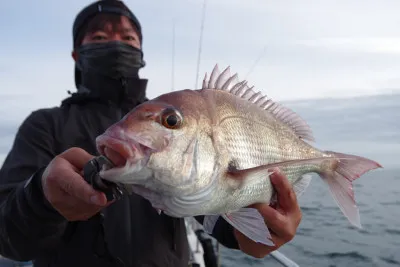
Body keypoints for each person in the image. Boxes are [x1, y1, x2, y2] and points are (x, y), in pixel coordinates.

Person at [0, 1, 302, 266]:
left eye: (128, 37)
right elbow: (7, 235)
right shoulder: (44, 125)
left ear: (141, 53)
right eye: (100, 36)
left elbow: (207, 203)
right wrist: (40, 196)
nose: (115, 43)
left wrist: (248, 235)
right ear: (77, 55)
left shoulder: (182, 123)